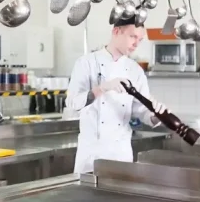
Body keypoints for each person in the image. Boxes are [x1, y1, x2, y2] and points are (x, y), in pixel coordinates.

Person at [65, 16, 166, 174]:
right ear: (116, 32)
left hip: (121, 154)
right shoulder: (86, 63)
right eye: (132, 37)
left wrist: (157, 116)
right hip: (91, 154)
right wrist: (102, 88)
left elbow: (142, 111)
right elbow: (73, 103)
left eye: (140, 40)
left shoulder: (135, 70)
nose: (136, 44)